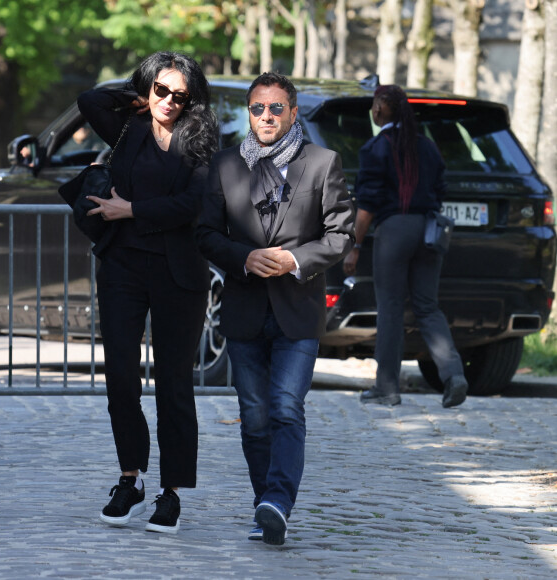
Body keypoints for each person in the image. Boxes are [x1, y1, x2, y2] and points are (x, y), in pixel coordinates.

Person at [197, 72, 354, 545]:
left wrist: (294, 259)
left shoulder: (323, 163)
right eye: (257, 109)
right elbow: (205, 235)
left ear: (293, 112)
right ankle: (264, 503)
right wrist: (242, 256)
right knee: (255, 414)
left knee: (286, 407)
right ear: (249, 113)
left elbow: (341, 235)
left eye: (276, 108)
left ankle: (277, 502)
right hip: (244, 309)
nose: (266, 117)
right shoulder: (224, 166)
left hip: (298, 311)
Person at [77, 51, 218, 533]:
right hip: (122, 267)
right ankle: (129, 478)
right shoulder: (129, 127)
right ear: (149, 88)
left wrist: (132, 210)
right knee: (120, 377)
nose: (169, 102)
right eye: (161, 90)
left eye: (181, 95)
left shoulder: (199, 140)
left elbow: (191, 204)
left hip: (178, 273)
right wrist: (136, 91)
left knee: (173, 384)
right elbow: (88, 98)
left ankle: (172, 492)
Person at [343, 84, 468, 409]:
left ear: (384, 107)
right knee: (428, 306)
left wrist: (354, 247)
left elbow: (367, 206)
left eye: (375, 104)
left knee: (391, 308)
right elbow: (441, 188)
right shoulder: (426, 146)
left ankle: (387, 388)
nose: (373, 110)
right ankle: (453, 374)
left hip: (394, 230)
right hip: (428, 229)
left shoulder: (376, 148)